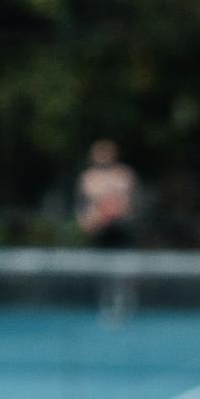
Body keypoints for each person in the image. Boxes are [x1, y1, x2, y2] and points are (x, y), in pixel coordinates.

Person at [73, 138, 139, 325]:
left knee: (123, 269)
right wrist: (88, 221)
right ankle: (106, 305)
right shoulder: (87, 178)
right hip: (99, 231)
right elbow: (81, 207)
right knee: (102, 270)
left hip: (121, 230)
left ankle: (124, 304)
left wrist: (120, 212)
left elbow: (131, 205)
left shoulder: (124, 174)